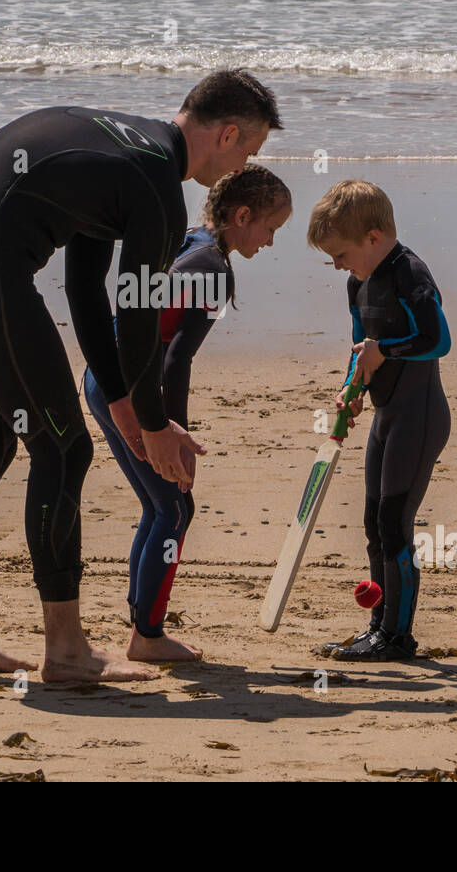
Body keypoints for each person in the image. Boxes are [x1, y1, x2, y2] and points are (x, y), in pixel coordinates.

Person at [0, 69, 283, 682]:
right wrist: (153, 423)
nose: (243, 168)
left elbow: (86, 290)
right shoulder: (158, 182)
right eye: (250, 152)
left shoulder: (125, 149)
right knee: (63, 449)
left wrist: (128, 403)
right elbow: (134, 313)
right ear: (229, 133)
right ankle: (67, 651)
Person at [83, 164, 293, 662]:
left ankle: (142, 624)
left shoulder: (187, 240)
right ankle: (147, 637)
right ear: (241, 215)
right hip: (134, 390)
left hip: (103, 377)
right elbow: (177, 359)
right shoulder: (215, 271)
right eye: (270, 228)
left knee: (159, 507)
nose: (269, 241)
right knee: (176, 508)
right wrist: (173, 433)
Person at [306, 179, 451, 662]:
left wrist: (382, 352)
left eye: (341, 254)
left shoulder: (410, 272)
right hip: (387, 416)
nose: (338, 265)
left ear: (373, 238)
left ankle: (398, 638)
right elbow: (360, 347)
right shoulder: (357, 283)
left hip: (420, 416)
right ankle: (378, 628)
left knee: (394, 524)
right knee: (373, 523)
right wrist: (353, 389)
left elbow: (437, 339)